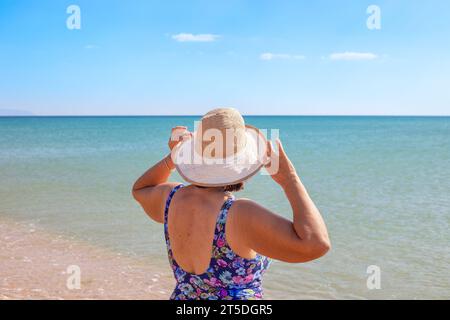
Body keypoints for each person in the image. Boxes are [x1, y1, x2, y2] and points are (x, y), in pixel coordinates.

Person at [132, 108, 330, 300]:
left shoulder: (170, 197)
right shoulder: (239, 214)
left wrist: (173, 158)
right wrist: (290, 180)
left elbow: (141, 189)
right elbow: (316, 244)